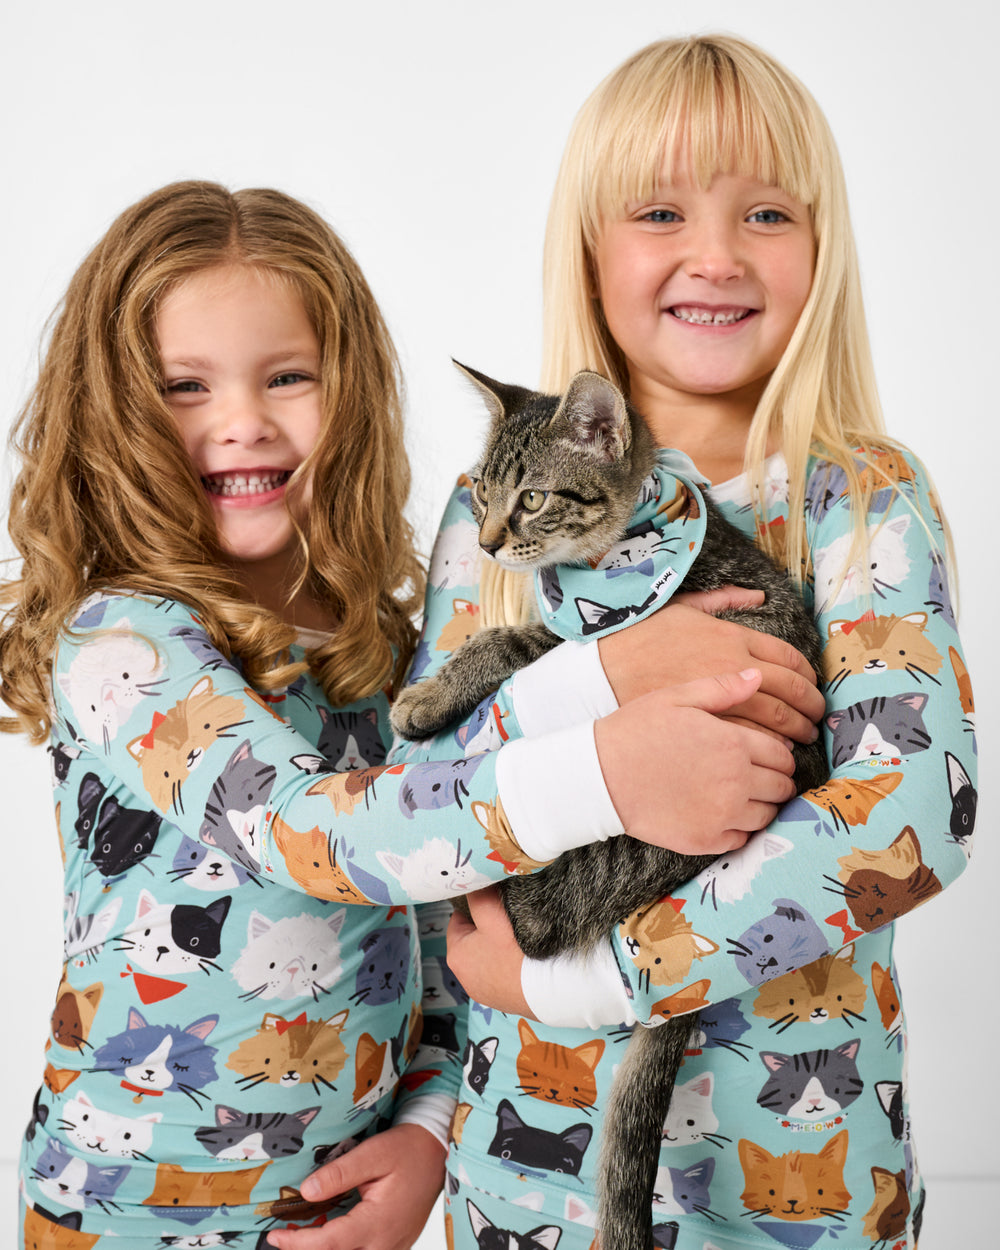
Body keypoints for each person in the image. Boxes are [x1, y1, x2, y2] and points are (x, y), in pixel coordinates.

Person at [0, 181, 816, 1250]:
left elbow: (442, 908)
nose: (241, 418)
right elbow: (334, 835)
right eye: (184, 385)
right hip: (132, 1207)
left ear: (354, 394)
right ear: (113, 412)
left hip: (347, 1200)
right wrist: (601, 717)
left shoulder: (377, 637)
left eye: (287, 375)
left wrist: (431, 1125)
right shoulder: (125, 642)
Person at [306, 36, 974, 1250]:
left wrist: (594, 981)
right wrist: (598, 698)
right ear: (590, 251)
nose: (715, 254)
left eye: (766, 211)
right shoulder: (490, 513)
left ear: (820, 251)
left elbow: (916, 805)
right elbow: (409, 813)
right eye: (661, 209)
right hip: (529, 1191)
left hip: (804, 1194)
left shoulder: (859, 498)